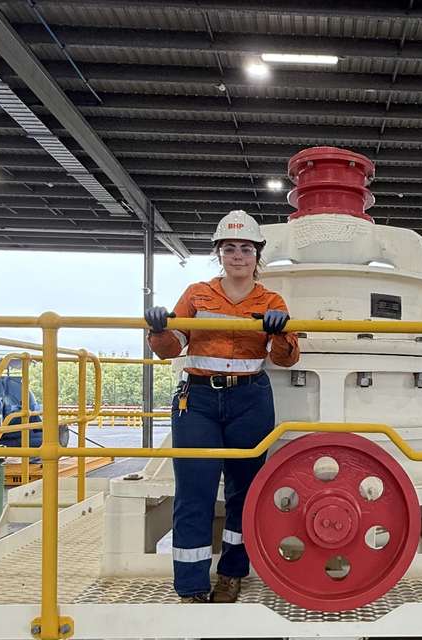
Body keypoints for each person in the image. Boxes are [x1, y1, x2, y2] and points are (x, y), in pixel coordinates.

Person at [144, 210, 300, 604]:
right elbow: (171, 348)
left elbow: (286, 359)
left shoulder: (271, 300)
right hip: (197, 401)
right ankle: (192, 585)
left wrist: (280, 331)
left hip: (251, 399)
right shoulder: (197, 294)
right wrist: (160, 328)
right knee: (194, 492)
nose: (237, 256)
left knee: (245, 492)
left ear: (256, 255)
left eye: (245, 248)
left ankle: (232, 573)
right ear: (219, 253)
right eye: (229, 248)